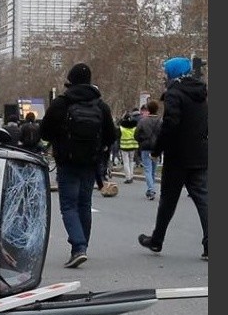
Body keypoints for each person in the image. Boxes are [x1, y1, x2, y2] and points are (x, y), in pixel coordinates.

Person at [40, 63, 116, 268]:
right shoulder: (100, 106)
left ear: (70, 81)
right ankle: (83, 246)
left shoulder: (61, 103)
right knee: (84, 203)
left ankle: (78, 246)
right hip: (91, 162)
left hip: (67, 160)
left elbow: (44, 132)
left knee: (68, 205)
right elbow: (111, 135)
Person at [138, 57, 208, 260]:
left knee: (168, 200)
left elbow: (170, 124)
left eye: (165, 72)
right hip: (200, 153)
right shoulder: (201, 94)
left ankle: (157, 240)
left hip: (177, 156)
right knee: (203, 199)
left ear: (173, 73)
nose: (164, 76)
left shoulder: (174, 94)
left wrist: (158, 148)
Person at [134, 99, 162, 200]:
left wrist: (141, 141)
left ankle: (151, 189)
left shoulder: (143, 121)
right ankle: (151, 188)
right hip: (157, 147)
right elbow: (163, 134)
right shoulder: (160, 121)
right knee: (153, 169)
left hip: (145, 146)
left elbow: (136, 134)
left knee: (147, 169)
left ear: (149, 109)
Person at [117, 110, 140, 184]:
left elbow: (118, 134)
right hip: (133, 146)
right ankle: (131, 176)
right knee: (131, 161)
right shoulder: (134, 125)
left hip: (124, 146)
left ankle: (128, 177)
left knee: (126, 162)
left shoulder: (121, 126)